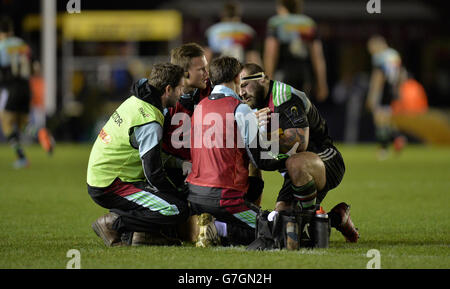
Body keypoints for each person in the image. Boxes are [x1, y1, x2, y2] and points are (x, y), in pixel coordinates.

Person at [239, 63, 359, 243]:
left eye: (244, 85)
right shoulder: (250, 106)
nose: (241, 92)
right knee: (281, 221)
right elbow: (253, 162)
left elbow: (299, 143)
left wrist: (258, 137)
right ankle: (337, 217)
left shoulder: (284, 97)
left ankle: (312, 225)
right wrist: (253, 213)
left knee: (296, 164)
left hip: (324, 159)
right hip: (293, 170)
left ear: (262, 79)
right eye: (238, 87)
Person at [87, 63, 190, 247]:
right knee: (176, 209)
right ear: (168, 89)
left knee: (168, 203)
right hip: (112, 183)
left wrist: (179, 164)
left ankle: (141, 236)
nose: (182, 93)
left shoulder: (138, 100)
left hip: (105, 176)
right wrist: (176, 196)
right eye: (180, 88)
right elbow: (154, 174)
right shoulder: (150, 121)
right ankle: (112, 223)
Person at [186, 56, 284, 247]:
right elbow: (260, 161)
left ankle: (213, 224)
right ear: (238, 78)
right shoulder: (240, 109)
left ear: (211, 80)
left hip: (194, 195)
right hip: (224, 198)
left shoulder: (199, 108)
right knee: (278, 229)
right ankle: (219, 228)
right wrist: (279, 151)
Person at [264, 0, 328, 103]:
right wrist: (322, 83)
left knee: (276, 111)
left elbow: (271, 54)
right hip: (303, 73)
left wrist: (267, 82)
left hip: (283, 72)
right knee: (301, 110)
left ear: (281, 6)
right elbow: (317, 56)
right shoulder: (308, 23)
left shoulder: (276, 22)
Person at [367, 35, 406, 159]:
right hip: (392, 89)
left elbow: (378, 77)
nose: (371, 50)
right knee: (386, 119)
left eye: (371, 47)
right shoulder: (394, 54)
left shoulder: (379, 57)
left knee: (379, 120)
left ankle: (383, 149)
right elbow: (401, 73)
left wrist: (372, 95)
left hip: (383, 90)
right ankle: (397, 138)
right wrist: (398, 90)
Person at [0, 16, 32, 168]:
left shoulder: (1, 46)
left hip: (12, 88)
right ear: (11, 30)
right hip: (26, 87)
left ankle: (21, 158)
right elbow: (34, 65)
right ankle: (41, 134)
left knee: (6, 122)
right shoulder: (21, 44)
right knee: (22, 124)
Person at [204, 1, 262, 65]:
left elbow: (207, 56)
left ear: (222, 13)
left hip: (218, 70)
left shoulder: (212, 31)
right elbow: (253, 56)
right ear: (239, 13)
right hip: (240, 70)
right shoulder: (247, 32)